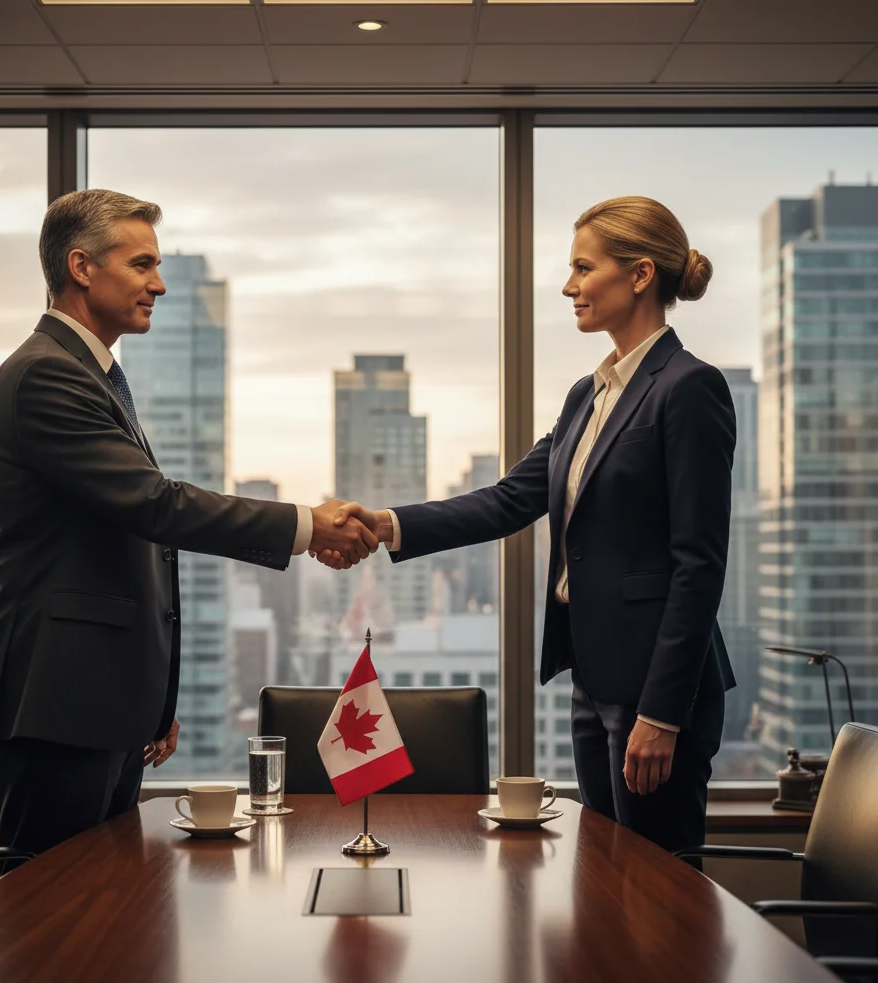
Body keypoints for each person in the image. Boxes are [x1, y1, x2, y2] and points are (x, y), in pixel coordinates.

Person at [0, 188, 378, 859]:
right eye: (141, 264)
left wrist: (148, 703)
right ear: (81, 267)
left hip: (97, 702)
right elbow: (155, 506)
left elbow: (128, 544)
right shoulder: (47, 376)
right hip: (56, 700)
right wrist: (307, 526)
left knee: (106, 914)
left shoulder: (89, 375)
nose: (158, 284)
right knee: (54, 928)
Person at [315, 196, 737, 853]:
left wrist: (661, 712)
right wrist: (386, 524)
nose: (568, 287)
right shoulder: (589, 395)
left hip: (655, 691)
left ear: (640, 274)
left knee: (659, 894)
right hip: (595, 680)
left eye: (582, 268)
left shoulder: (689, 388)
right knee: (606, 877)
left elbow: (699, 563)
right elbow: (509, 500)